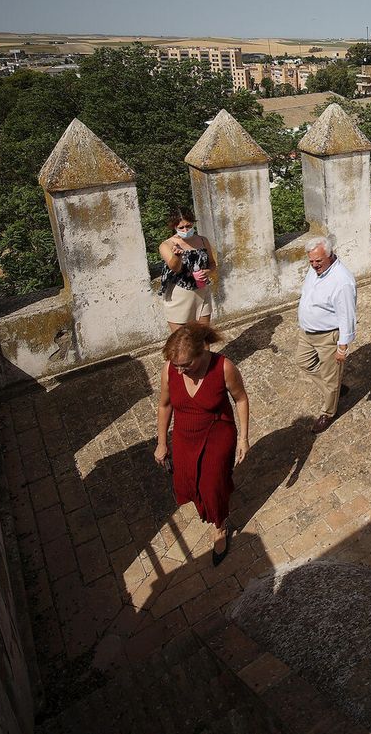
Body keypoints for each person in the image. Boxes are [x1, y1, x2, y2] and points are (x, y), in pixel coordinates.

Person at [153, 322, 250, 564]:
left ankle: (220, 526)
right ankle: (208, 504)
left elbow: (241, 399)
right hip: (184, 435)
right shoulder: (170, 370)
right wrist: (162, 443)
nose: (180, 371)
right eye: (176, 365)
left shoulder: (224, 367)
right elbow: (164, 405)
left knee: (213, 485)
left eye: (186, 365)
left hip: (217, 433)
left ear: (201, 352)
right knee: (188, 479)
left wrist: (244, 438)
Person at [296, 234, 356, 434]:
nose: (314, 265)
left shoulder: (342, 281)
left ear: (330, 255)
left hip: (327, 336)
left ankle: (328, 412)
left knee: (331, 378)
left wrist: (342, 347)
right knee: (304, 362)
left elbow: (347, 316)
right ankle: (335, 389)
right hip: (307, 332)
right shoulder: (316, 269)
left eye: (318, 261)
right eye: (311, 261)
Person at [158, 209, 216, 332]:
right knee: (182, 339)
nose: (185, 230)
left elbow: (212, 263)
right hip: (179, 295)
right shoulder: (167, 245)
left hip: (202, 291)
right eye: (181, 227)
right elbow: (175, 268)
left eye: (188, 226)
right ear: (174, 227)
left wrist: (208, 272)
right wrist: (177, 256)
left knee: (203, 335)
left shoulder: (202, 240)